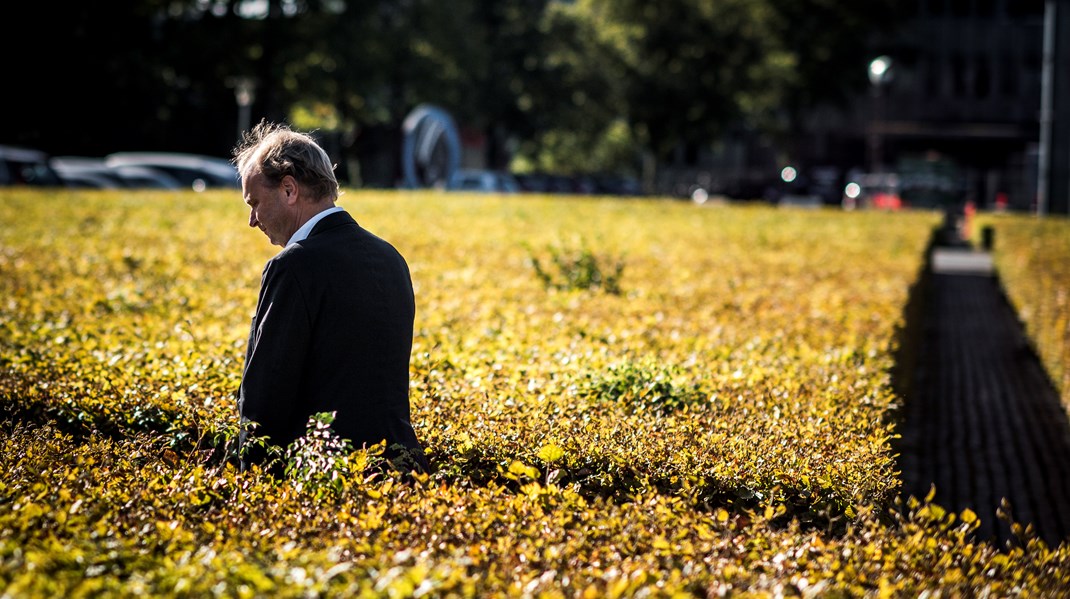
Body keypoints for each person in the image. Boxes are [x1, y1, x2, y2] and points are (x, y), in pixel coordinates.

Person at [232, 120, 428, 474]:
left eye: (255, 202)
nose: (252, 220)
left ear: (289, 189)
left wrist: (251, 477)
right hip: (401, 468)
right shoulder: (391, 258)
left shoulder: (293, 265)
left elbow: (267, 391)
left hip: (323, 474)